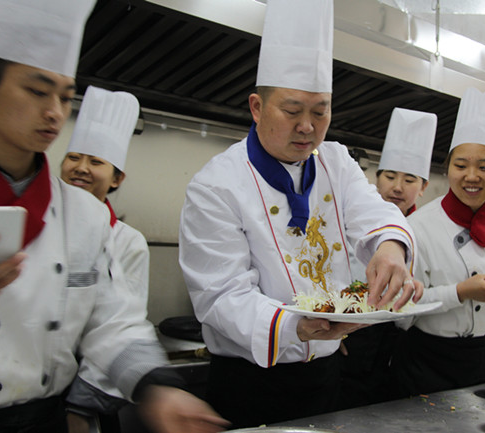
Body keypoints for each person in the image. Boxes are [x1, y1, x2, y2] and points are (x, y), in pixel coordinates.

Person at [0, 1, 227, 432]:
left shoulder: (82, 215)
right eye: (37, 90)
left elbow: (112, 323)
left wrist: (157, 388)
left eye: (65, 96)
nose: (54, 112)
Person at [179, 0, 421, 427]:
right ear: (257, 108)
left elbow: (372, 211)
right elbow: (220, 297)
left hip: (327, 376)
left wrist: (389, 249)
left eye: (321, 111)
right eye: (292, 111)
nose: (308, 127)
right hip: (250, 383)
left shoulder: (336, 160)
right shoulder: (216, 184)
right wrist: (296, 327)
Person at [390, 87, 485, 398]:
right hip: (426, 363)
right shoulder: (417, 228)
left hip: (483, 358)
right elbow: (399, 309)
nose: (471, 176)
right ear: (446, 168)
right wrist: (460, 293)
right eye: (461, 166)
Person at [59, 86, 150, 432]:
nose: (81, 168)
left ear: (116, 178)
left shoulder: (129, 243)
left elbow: (118, 325)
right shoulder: (38, 224)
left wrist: (79, 408)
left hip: (89, 396)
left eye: (95, 162)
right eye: (73, 157)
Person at [339, 107, 437, 408]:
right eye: (390, 176)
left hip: (399, 346)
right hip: (347, 335)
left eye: (409, 179)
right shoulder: (349, 220)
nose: (397, 187)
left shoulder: (428, 230)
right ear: (376, 179)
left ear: (423, 188)